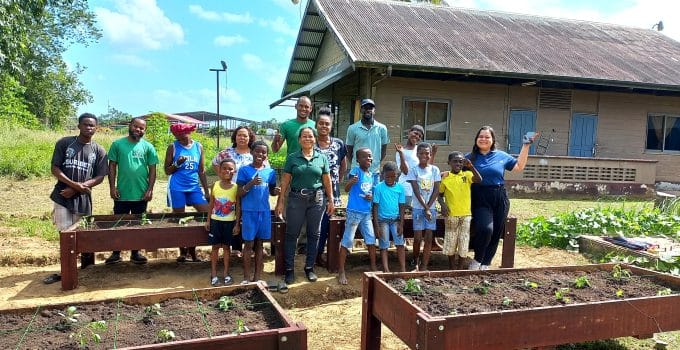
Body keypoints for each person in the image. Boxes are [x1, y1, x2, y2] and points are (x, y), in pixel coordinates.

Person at [44, 113, 108, 284]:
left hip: (83, 198)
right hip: (62, 196)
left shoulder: (99, 150)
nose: (89, 128)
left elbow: (100, 176)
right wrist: (73, 185)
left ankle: (87, 269)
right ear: (79, 126)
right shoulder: (65, 143)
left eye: (92, 125)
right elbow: (55, 168)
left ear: (96, 128)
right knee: (65, 234)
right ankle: (66, 271)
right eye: (85, 124)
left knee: (84, 235)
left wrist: (78, 188)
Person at [467, 126, 536, 270]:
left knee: (496, 231)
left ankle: (486, 262)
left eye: (487, 137)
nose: (484, 139)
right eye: (481, 136)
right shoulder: (469, 158)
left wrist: (526, 145)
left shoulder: (501, 156)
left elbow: (519, 166)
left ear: (492, 140)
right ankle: (478, 259)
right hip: (479, 197)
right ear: (476, 139)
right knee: (486, 229)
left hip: (499, 197)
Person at [275, 127, 334, 285]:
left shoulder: (321, 158)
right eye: (304, 136)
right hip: (296, 199)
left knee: (314, 234)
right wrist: (280, 202)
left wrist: (331, 200)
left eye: (310, 136)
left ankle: (309, 268)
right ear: (299, 139)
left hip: (317, 200)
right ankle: (289, 270)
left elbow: (327, 181)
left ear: (315, 139)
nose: (307, 139)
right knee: (291, 234)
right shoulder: (293, 158)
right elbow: (285, 181)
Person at [105, 117, 158, 265]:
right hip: (121, 193)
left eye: (142, 128)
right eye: (136, 126)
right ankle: (116, 253)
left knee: (137, 224)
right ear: (130, 126)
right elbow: (112, 167)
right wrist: (112, 187)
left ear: (144, 130)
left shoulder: (148, 147)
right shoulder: (117, 145)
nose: (138, 130)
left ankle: (136, 253)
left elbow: (153, 170)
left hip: (141, 194)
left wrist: (150, 189)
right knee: (119, 223)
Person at [211, 125, 263, 257]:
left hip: (251, 192)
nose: (242, 138)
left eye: (245, 135)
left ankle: (249, 247)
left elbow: (264, 167)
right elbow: (215, 162)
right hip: (231, 191)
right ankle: (235, 247)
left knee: (248, 218)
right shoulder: (227, 152)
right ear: (235, 136)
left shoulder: (255, 153)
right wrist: (223, 177)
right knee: (233, 217)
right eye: (239, 135)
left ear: (250, 137)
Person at [164, 123, 210, 263]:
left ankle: (193, 250)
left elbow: (201, 171)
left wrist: (206, 191)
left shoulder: (198, 147)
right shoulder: (173, 147)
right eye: (176, 136)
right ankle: (183, 253)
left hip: (194, 188)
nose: (179, 139)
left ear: (188, 133)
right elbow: (167, 170)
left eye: (182, 136)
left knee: (206, 213)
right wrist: (177, 163)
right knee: (179, 219)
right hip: (177, 187)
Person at [237, 141, 280, 283]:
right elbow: (240, 193)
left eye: (263, 152)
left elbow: (272, 191)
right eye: (257, 151)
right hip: (249, 212)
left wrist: (276, 191)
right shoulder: (244, 170)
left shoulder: (270, 172)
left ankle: (257, 276)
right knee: (248, 244)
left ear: (267, 155)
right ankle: (246, 277)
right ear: (251, 152)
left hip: (264, 212)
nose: (260, 154)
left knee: (260, 244)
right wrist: (251, 183)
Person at [338, 148, 376, 285]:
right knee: (347, 241)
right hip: (354, 211)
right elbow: (347, 189)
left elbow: (371, 192)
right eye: (365, 157)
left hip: (366, 213)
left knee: (371, 240)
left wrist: (371, 196)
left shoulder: (371, 174)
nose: (369, 159)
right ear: (358, 160)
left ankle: (373, 267)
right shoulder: (356, 171)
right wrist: (352, 182)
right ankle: (341, 271)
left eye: (370, 157)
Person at [438, 151, 482, 270]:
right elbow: (439, 194)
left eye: (461, 161)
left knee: (464, 240)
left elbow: (479, 179)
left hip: (466, 214)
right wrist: (442, 205)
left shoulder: (467, 175)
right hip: (451, 214)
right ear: (449, 163)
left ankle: (460, 268)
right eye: (455, 161)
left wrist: (471, 167)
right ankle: (452, 267)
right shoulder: (445, 178)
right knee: (451, 240)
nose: (458, 163)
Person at [314, 107, 346, 267]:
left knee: (329, 224)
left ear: (331, 126)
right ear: (316, 125)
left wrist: (337, 180)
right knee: (316, 225)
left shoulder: (339, 144)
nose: (324, 126)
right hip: (315, 192)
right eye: (321, 123)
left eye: (327, 124)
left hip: (333, 193)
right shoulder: (310, 143)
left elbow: (343, 164)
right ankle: (315, 255)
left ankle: (326, 255)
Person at [407, 143, 441, 271]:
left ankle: (424, 265)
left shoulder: (435, 170)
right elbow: (416, 190)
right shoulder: (413, 170)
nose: (424, 155)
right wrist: (425, 208)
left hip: (431, 209)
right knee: (417, 238)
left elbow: (436, 189)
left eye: (427, 153)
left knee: (428, 237)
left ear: (430, 154)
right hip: (418, 208)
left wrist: (429, 207)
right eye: (421, 153)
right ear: (417, 154)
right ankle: (415, 261)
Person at [205, 159, 239, 286]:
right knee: (215, 247)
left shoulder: (236, 187)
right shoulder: (215, 185)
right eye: (224, 168)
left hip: (229, 222)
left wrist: (236, 224)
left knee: (226, 248)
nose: (227, 171)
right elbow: (211, 204)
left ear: (234, 171)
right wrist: (208, 220)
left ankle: (226, 273)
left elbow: (238, 207)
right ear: (219, 170)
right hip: (215, 222)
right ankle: (213, 274)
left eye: (230, 169)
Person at [372, 161, 406, 273]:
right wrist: (376, 226)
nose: (390, 179)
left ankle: (403, 268)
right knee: (384, 245)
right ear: (382, 175)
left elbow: (402, 207)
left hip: (395, 220)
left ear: (397, 175)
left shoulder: (400, 188)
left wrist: (401, 224)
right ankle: (386, 269)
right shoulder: (378, 188)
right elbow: (375, 207)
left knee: (400, 243)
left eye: (393, 176)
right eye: (387, 176)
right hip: (382, 221)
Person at [346, 98, 389, 179]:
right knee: (356, 192)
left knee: (373, 192)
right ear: (361, 110)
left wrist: (375, 163)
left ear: (374, 111)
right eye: (365, 108)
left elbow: (383, 151)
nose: (368, 110)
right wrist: (357, 163)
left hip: (374, 172)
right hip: (357, 172)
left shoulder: (382, 128)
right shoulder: (352, 128)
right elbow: (349, 151)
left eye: (370, 108)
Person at [395, 125, 438, 206]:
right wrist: (401, 154)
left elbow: (427, 168)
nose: (417, 136)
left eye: (419, 136)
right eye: (415, 133)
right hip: (406, 189)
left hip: (420, 189)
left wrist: (434, 154)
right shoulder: (400, 150)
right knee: (405, 214)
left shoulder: (420, 150)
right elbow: (405, 172)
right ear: (409, 133)